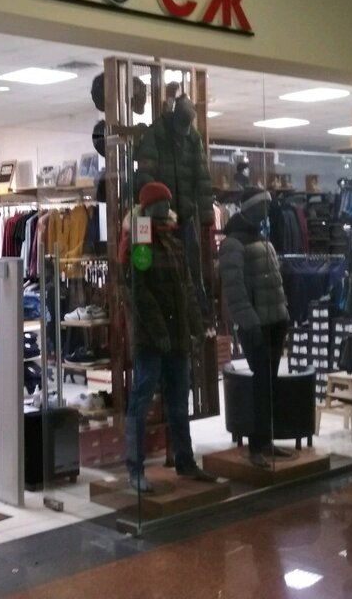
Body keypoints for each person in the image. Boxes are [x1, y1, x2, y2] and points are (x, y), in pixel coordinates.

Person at [124, 182, 214, 492]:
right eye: (159, 203)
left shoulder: (174, 242)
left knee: (178, 402)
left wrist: (196, 326)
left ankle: (185, 460)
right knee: (141, 402)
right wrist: (160, 330)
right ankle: (135, 469)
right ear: (147, 207)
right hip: (151, 340)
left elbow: (186, 288)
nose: (165, 207)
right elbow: (139, 292)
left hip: (176, 338)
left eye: (167, 202)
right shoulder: (141, 240)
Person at [218, 187, 293, 468]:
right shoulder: (233, 243)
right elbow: (235, 291)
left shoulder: (261, 238)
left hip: (274, 322)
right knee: (260, 387)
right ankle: (255, 446)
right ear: (250, 208)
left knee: (269, 386)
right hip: (256, 325)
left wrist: (284, 314)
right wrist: (250, 324)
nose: (266, 211)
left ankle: (266, 440)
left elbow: (273, 281)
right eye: (262, 206)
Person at [134, 92, 215, 322]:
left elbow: (202, 177)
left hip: (184, 216)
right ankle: (168, 317)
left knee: (191, 272)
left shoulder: (193, 139)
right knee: (155, 271)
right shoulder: (156, 133)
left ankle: (198, 320)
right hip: (158, 220)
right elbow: (145, 175)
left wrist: (206, 215)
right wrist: (152, 206)